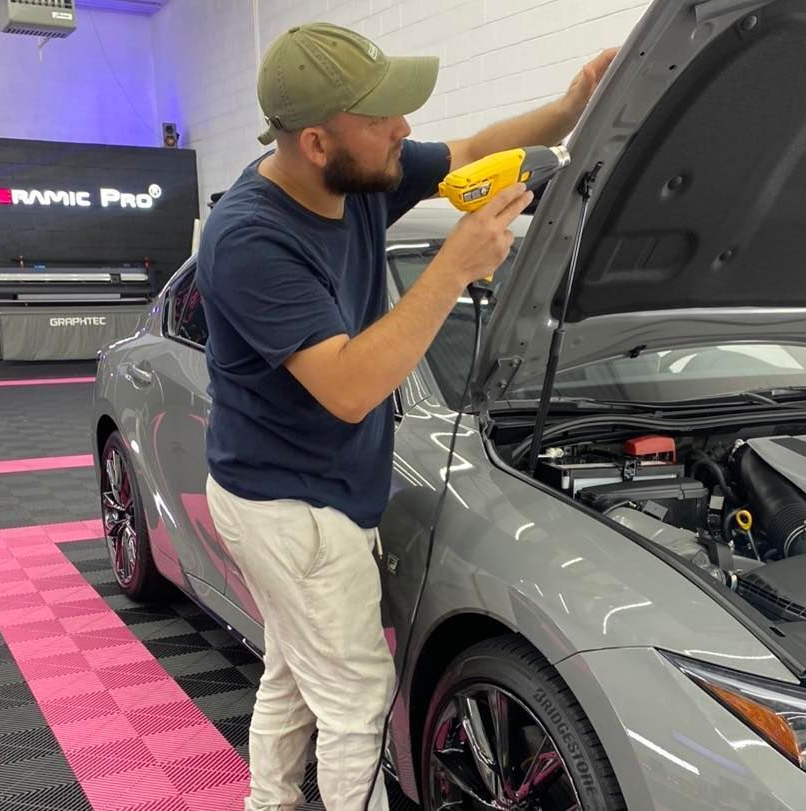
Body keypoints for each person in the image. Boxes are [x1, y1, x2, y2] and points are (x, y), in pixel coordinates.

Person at [198, 22, 617, 811]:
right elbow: (351, 385)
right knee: (357, 699)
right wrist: (456, 264)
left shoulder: (359, 174)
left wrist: (568, 107)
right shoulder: (249, 240)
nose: (406, 130)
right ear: (318, 141)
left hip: (311, 491)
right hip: (289, 508)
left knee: (294, 671)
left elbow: (468, 151)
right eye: (384, 117)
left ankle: (268, 801)